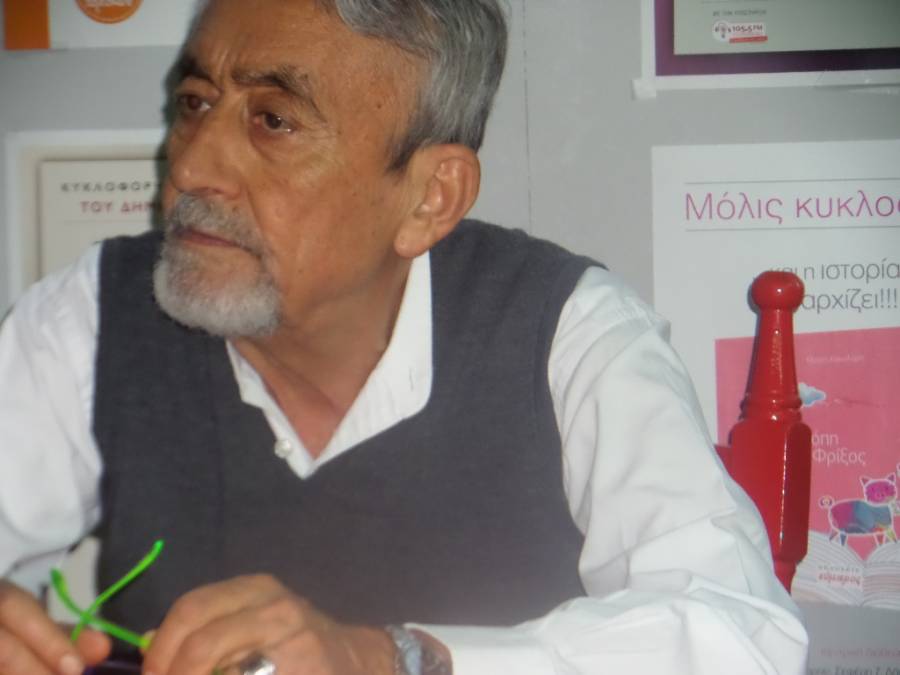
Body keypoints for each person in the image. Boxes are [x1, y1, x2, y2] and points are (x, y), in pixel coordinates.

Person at [0, 0, 809, 674]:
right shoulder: (97, 311)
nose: (191, 168)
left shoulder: (565, 330)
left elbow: (744, 636)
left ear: (430, 197)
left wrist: (396, 659)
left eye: (274, 120)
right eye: (195, 103)